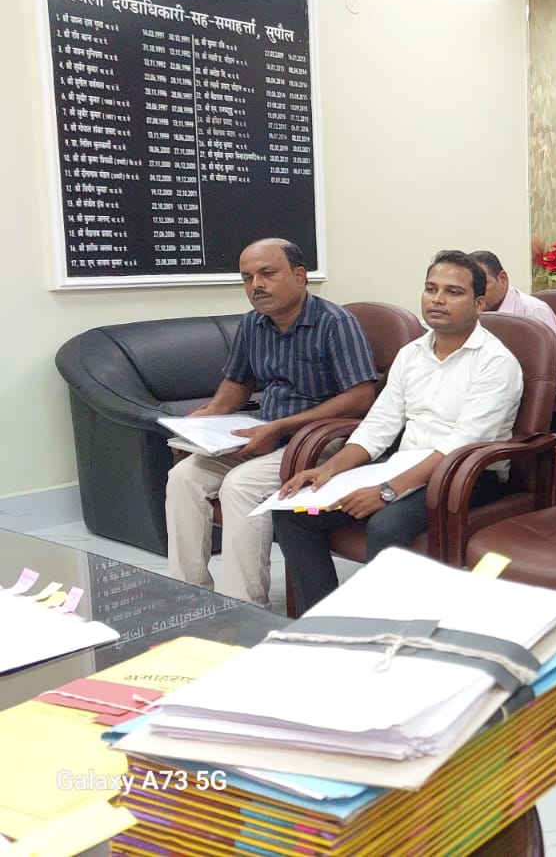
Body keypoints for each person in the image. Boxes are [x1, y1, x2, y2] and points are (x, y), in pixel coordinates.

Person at [271, 252, 523, 610]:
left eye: (453, 292)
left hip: (468, 477)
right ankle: (322, 619)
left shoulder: (496, 363)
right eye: (431, 289)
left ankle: (387, 628)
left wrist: (388, 491)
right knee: (294, 512)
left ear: (479, 303)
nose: (437, 300)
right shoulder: (411, 354)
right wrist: (328, 470)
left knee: (385, 526)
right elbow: (378, 426)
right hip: (403, 467)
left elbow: (461, 444)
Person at [166, 238, 377, 608]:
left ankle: (245, 607)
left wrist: (280, 427)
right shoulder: (253, 324)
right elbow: (238, 383)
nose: (256, 285)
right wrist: (205, 419)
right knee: (183, 477)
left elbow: (361, 398)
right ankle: (189, 597)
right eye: (247, 278)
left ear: (300, 276)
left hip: (320, 443)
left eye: (267, 274)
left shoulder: (335, 323)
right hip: (266, 433)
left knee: (240, 486)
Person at [464, 249, 556, 352]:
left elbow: (554, 361)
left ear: (502, 279)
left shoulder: (534, 311)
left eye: (481, 285)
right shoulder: (466, 312)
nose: (475, 293)